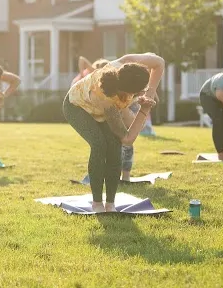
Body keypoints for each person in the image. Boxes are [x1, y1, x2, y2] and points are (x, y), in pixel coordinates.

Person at [63, 53, 164, 212]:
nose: (144, 91)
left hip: (100, 107)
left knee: (114, 146)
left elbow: (159, 63)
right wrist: (144, 108)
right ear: (129, 92)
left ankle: (110, 203)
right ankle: (97, 203)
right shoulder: (109, 100)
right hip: (76, 106)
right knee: (99, 145)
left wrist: (150, 93)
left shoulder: (127, 63)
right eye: (142, 89)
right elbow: (128, 139)